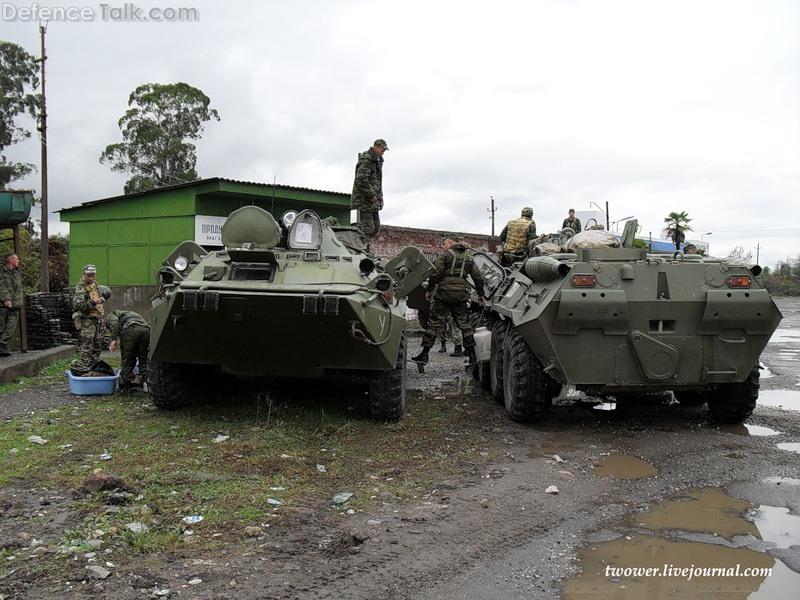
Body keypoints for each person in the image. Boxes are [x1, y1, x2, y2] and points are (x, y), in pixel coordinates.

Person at [412, 235, 485, 366]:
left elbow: (435, 274)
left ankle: (424, 355)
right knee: (465, 326)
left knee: (434, 324)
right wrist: (480, 294)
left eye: (444, 243)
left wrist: (429, 290)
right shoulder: (469, 258)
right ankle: (473, 357)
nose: (443, 246)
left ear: (451, 243)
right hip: (461, 296)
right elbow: (478, 277)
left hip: (443, 296)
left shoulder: (445, 256)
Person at [350, 138, 388, 250]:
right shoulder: (367, 160)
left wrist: (379, 199)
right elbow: (361, 180)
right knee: (368, 228)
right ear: (375, 146)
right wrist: (371, 195)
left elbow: (376, 182)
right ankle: (362, 250)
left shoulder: (377, 160)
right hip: (364, 201)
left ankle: (366, 247)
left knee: (376, 227)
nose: (383, 151)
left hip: (373, 202)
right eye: (382, 149)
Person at [71, 264, 108, 373]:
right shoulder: (80, 287)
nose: (91, 278)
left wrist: (100, 301)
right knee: (87, 346)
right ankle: (84, 369)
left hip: (97, 319)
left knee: (97, 344)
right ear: (84, 274)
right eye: (89, 276)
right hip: (87, 320)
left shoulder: (95, 284)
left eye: (93, 275)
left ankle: (93, 367)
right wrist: (93, 302)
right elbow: (77, 305)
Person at [106, 308, 150, 394]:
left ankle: (126, 388)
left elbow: (114, 323)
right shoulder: (130, 313)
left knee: (127, 358)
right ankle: (147, 384)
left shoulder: (111, 316)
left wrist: (113, 339)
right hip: (146, 330)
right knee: (143, 358)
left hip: (131, 329)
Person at [0, 253, 24, 357]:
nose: (18, 261)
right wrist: (6, 299)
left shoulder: (16, 273)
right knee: (1, 327)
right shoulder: (1, 272)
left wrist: (18, 301)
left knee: (11, 328)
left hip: (15, 305)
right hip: (3, 305)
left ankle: (2, 345)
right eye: (16, 259)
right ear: (11, 261)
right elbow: (1, 286)